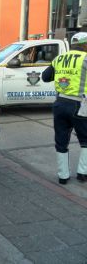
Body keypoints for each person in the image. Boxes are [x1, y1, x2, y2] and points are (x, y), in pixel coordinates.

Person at [42, 32, 87, 184]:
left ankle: (63, 177)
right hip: (80, 105)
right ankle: (82, 173)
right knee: (86, 140)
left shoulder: (59, 58)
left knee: (61, 140)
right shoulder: (86, 58)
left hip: (60, 104)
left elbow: (45, 77)